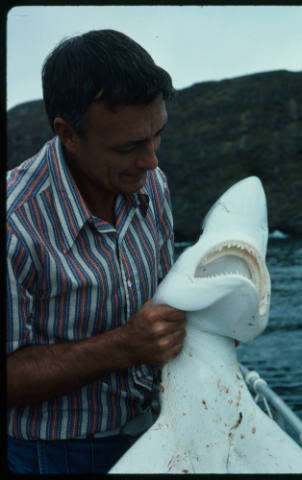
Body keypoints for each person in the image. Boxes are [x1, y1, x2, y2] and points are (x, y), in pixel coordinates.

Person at [6, 29, 187, 474]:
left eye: (156, 136)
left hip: (157, 428)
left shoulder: (151, 183)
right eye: (128, 147)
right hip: (54, 456)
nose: (151, 161)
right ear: (68, 133)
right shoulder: (14, 224)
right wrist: (124, 347)